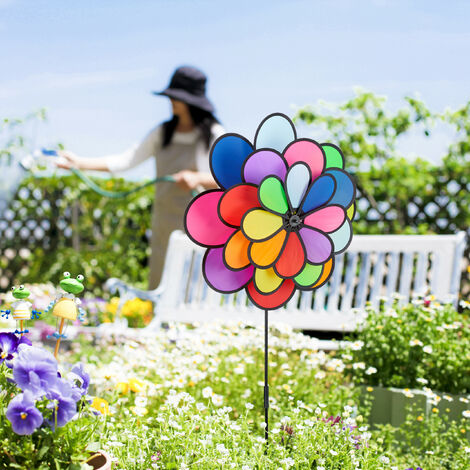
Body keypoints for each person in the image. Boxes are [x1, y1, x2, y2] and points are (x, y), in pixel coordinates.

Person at [57, 66, 224, 289]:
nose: (171, 101)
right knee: (161, 283)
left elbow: (233, 178)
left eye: (176, 97)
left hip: (201, 224)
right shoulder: (162, 133)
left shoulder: (214, 134)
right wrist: (79, 163)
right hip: (165, 221)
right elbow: (126, 160)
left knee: (193, 284)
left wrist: (198, 178)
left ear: (192, 101)